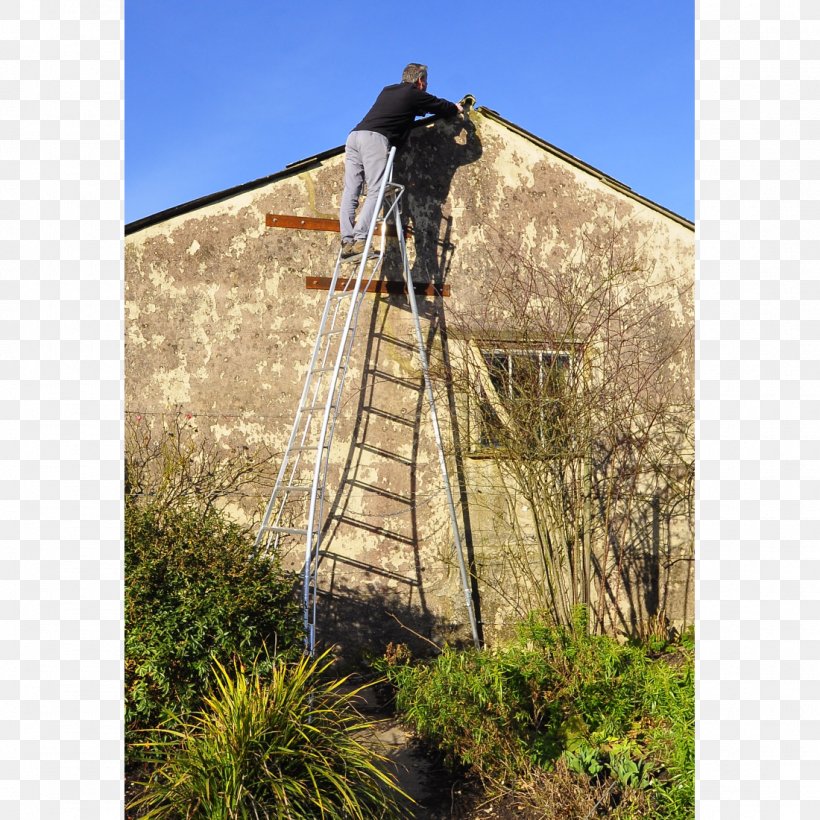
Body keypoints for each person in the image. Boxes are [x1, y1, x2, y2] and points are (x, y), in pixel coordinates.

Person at [339, 63, 463, 259]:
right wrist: (455, 108)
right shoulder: (413, 93)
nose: (427, 85)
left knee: (351, 190)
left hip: (354, 136)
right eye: (426, 82)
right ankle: (360, 239)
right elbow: (439, 106)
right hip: (374, 139)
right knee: (376, 190)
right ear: (420, 81)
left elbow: (412, 111)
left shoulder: (389, 91)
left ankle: (346, 240)